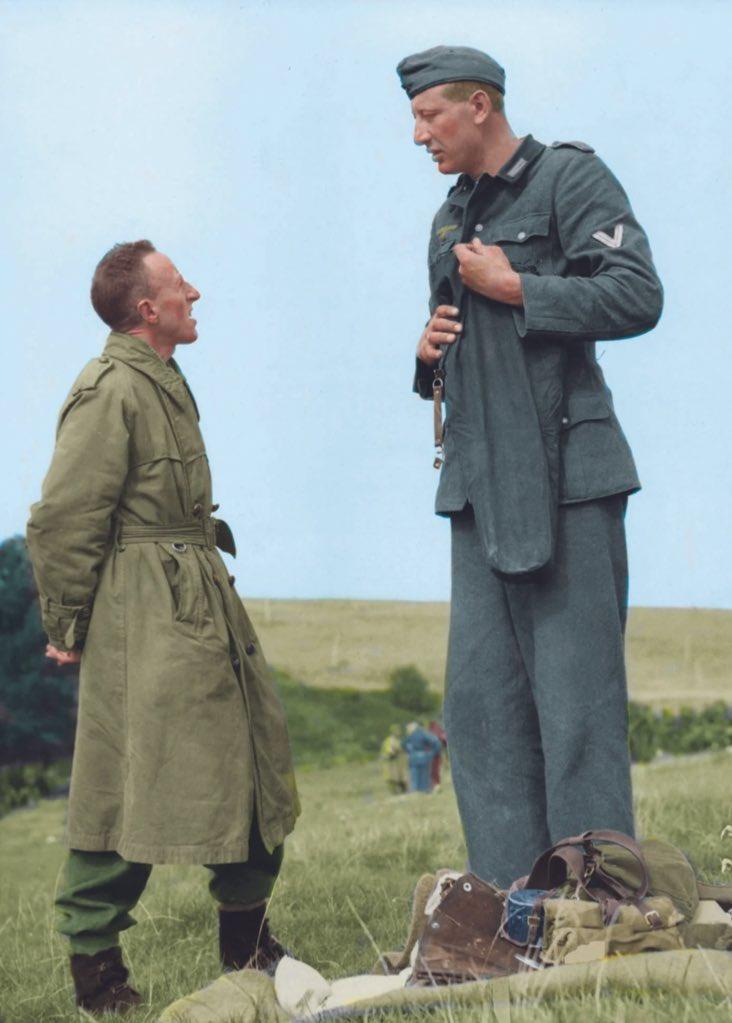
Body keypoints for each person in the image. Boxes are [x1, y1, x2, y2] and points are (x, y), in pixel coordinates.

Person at [396, 47, 663, 887]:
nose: (418, 134)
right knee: (480, 711)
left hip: (570, 477)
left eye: (429, 115)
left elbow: (638, 294)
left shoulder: (570, 181)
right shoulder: (449, 218)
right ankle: (516, 908)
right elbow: (461, 343)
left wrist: (521, 290)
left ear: (479, 105)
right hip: (480, 488)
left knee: (578, 705)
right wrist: (426, 355)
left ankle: (595, 900)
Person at [26, 241, 300, 1014]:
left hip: (199, 594)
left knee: (251, 763)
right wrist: (67, 625)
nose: (195, 293)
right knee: (127, 784)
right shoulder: (110, 389)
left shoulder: (162, 380)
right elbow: (62, 519)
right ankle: (96, 969)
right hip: (143, 613)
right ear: (148, 308)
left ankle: (248, 944)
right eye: (181, 284)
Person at [402, 722, 443, 793]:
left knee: (416, 776)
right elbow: (436, 742)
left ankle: (417, 790)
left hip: (415, 757)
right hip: (422, 757)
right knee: (422, 776)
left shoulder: (413, 735)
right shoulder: (422, 734)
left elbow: (403, 744)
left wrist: (409, 751)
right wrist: (433, 752)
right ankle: (422, 790)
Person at [380, 724, 408, 795]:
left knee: (402, 779)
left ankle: (403, 791)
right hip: (392, 764)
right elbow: (389, 751)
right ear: (393, 732)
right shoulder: (389, 740)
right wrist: (393, 751)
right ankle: (394, 793)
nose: (398, 732)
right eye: (396, 731)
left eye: (399, 731)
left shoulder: (400, 740)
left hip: (400, 764)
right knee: (392, 779)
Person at [427, 719, 447, 789]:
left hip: (432, 753)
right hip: (437, 753)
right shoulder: (438, 731)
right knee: (436, 769)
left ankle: (434, 784)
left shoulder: (429, 731)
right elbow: (444, 739)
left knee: (433, 770)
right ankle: (436, 783)